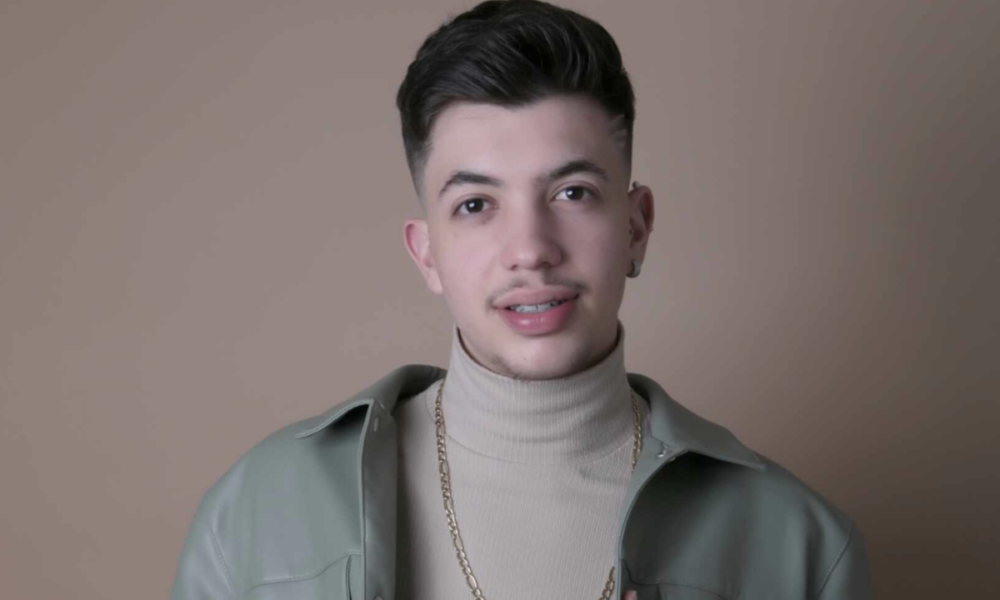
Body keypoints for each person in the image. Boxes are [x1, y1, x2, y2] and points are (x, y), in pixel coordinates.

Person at [170, 1, 872, 599]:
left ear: (635, 227)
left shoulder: (802, 545)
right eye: (476, 204)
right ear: (426, 253)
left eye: (572, 193)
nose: (531, 248)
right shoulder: (254, 511)